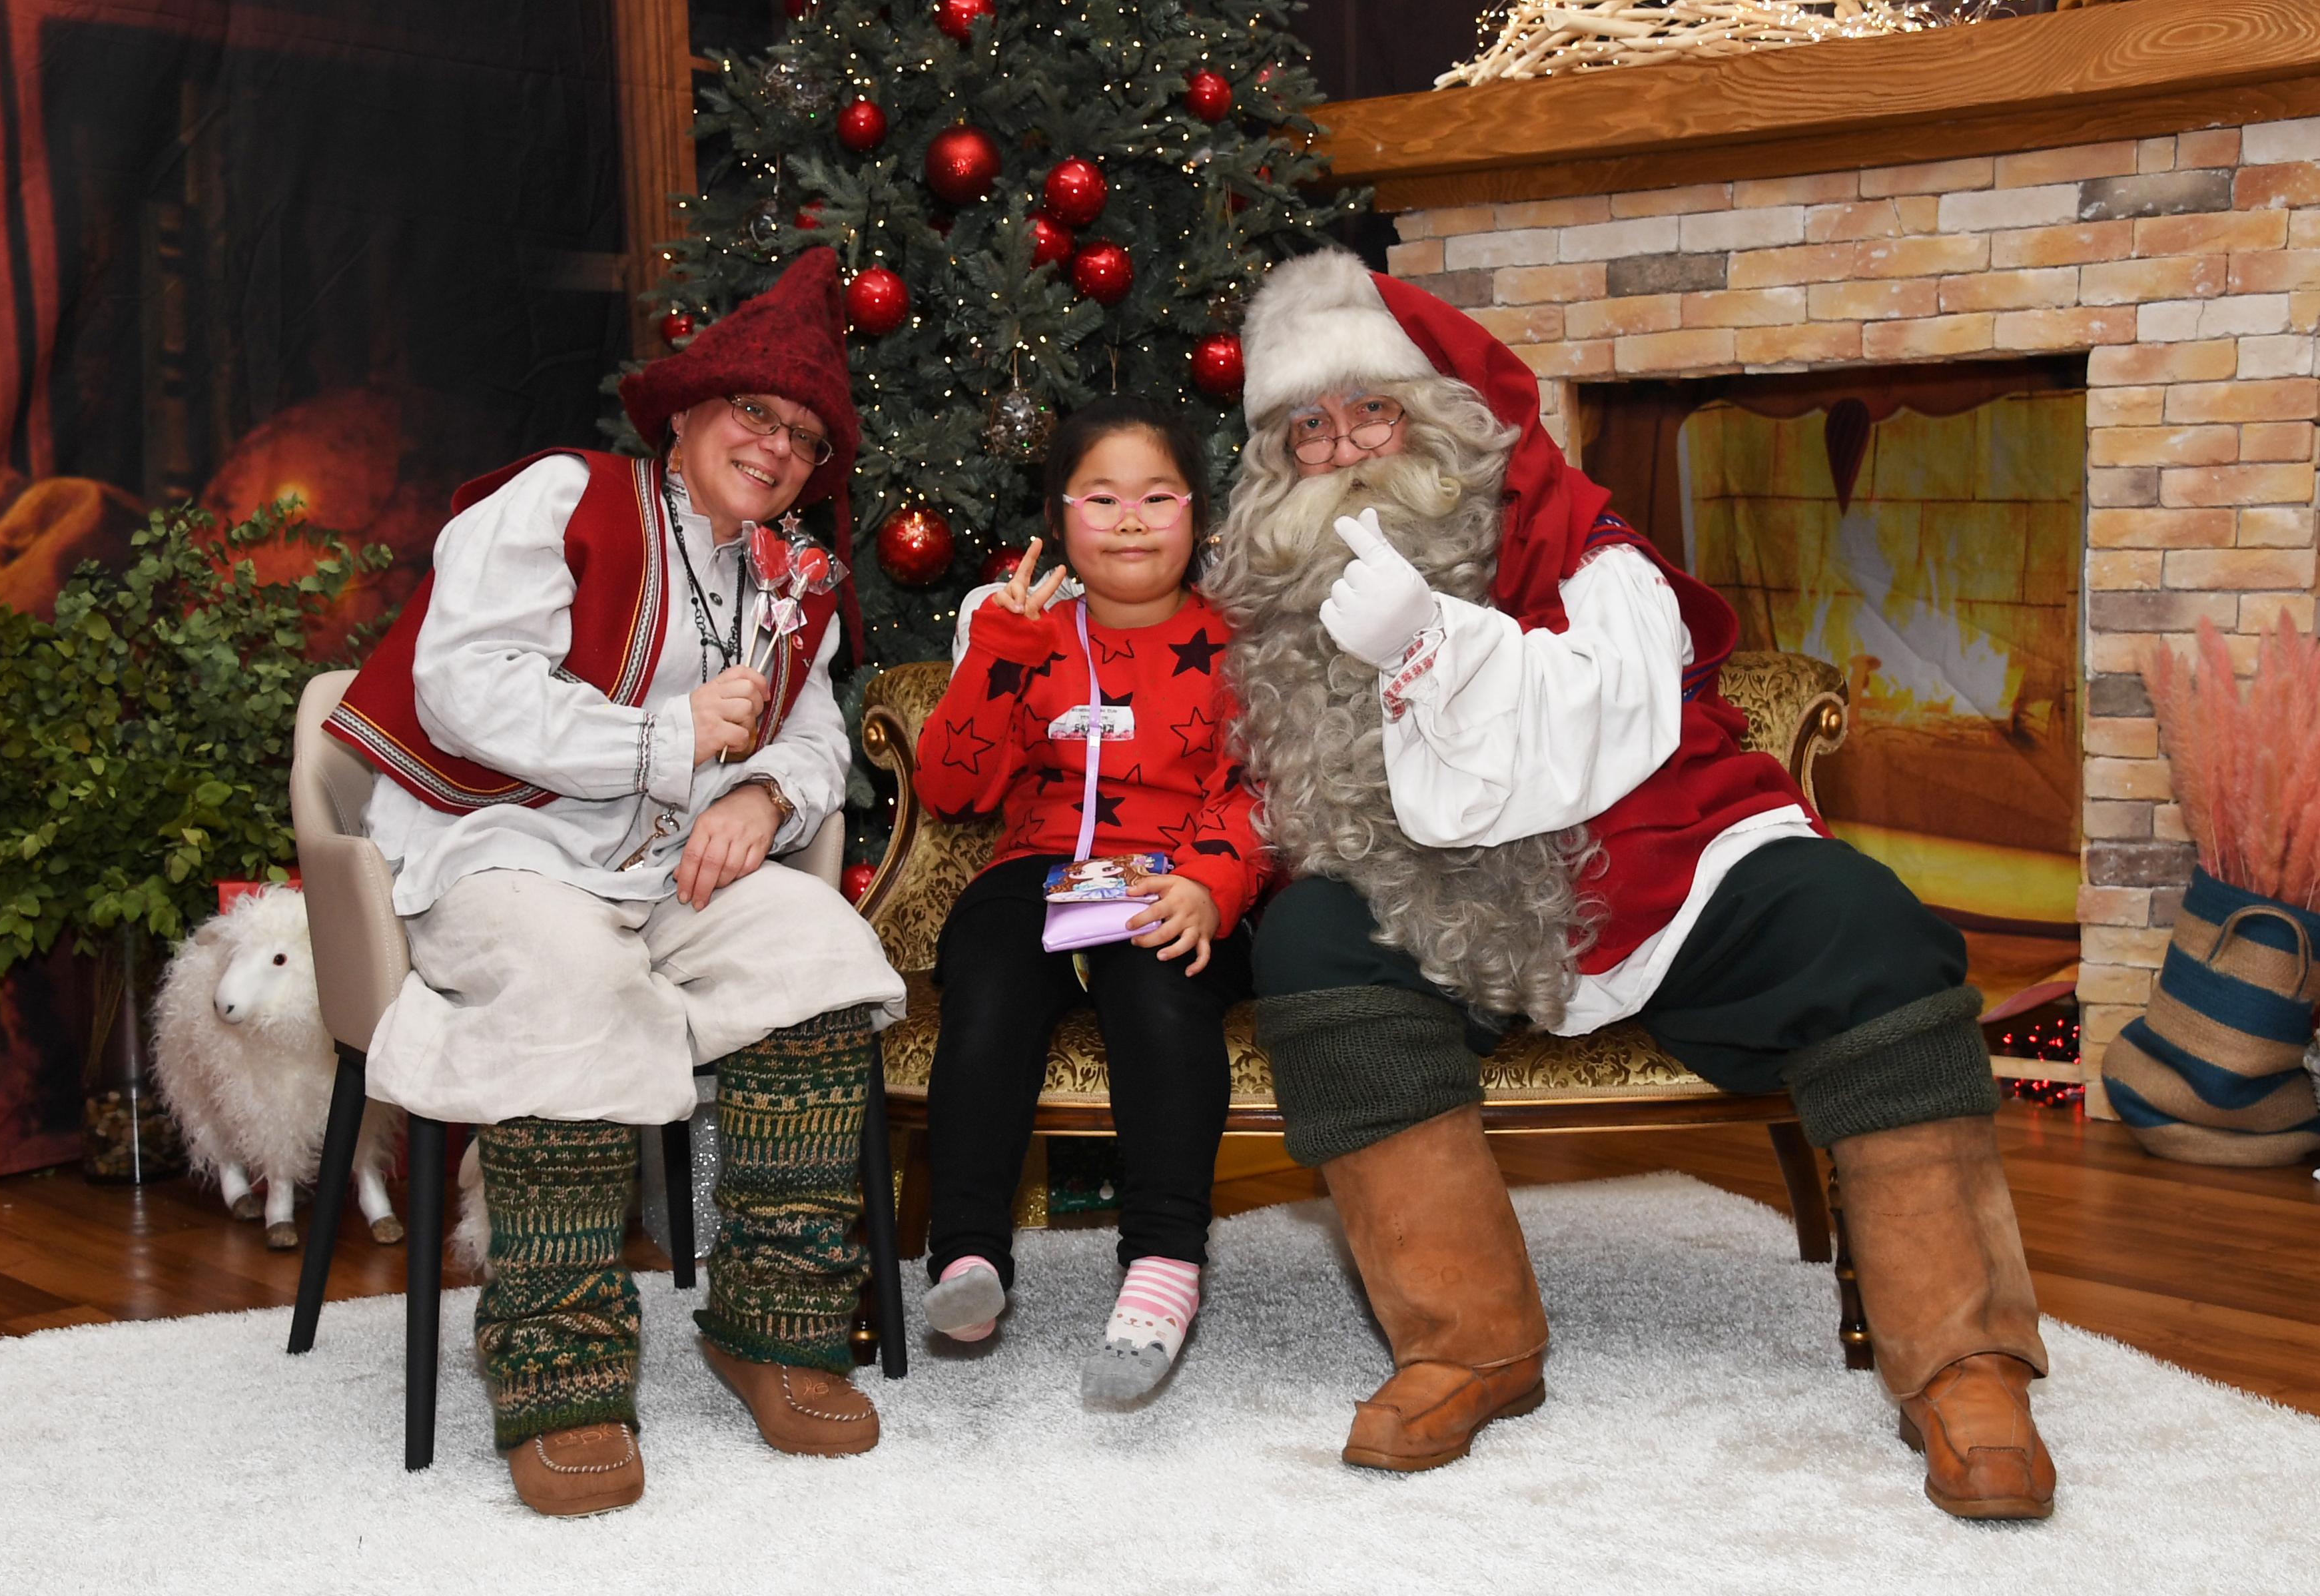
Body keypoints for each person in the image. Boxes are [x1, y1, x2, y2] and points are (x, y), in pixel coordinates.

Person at [1208, 248, 2055, 1519]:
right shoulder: (1278, 592)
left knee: (1866, 929)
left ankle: (1964, 1359)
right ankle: (1465, 1339)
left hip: (1657, 858)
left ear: (1437, 412)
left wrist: (1430, 639)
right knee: (1320, 947)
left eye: (1370, 411)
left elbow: (1602, 720)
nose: (1343, 452)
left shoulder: (1579, 537)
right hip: (1449, 899)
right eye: (1307, 430)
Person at [326, 248, 907, 1515]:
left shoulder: (785, 579)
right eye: (756, 412)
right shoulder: (559, 498)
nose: (777, 448)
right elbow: (463, 684)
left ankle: (771, 1324)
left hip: (666, 870)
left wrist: (764, 793)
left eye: (807, 440)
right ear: (687, 411)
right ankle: (561, 1369)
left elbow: (811, 736)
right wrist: (671, 737)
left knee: (816, 953)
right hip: (503, 846)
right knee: (570, 980)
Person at [911, 398, 1267, 1402]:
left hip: (1178, 871)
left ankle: (1163, 1265)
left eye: (1157, 498)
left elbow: (1267, 789)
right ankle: (967, 1256)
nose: (1129, 521)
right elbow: (950, 788)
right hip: (1038, 866)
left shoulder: (1243, 641)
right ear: (1060, 516)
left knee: (1157, 985)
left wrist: (1210, 883)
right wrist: (999, 655)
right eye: (1101, 499)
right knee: (987, 975)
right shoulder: (1022, 633)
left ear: (1197, 515)